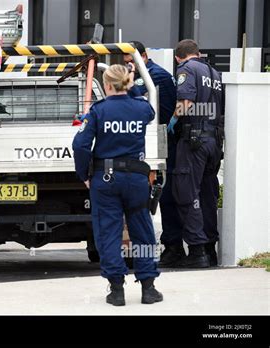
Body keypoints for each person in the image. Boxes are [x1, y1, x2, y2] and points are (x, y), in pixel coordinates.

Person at [73, 64, 163, 306]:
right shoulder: (142, 109)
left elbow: (80, 145)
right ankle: (149, 288)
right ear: (127, 83)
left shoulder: (97, 111)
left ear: (107, 85)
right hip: (136, 179)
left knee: (109, 233)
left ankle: (116, 290)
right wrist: (131, 86)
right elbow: (150, 111)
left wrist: (84, 174)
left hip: (106, 178)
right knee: (143, 232)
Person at [124, 41, 184, 267]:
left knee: (165, 195)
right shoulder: (145, 73)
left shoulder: (155, 76)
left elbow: (134, 98)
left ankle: (173, 246)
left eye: (133, 61)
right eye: (127, 63)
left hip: (163, 142)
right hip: (149, 142)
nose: (130, 66)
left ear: (144, 55)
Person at [167, 39, 224, 268]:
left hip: (194, 141)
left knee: (186, 193)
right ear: (197, 53)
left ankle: (197, 251)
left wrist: (173, 120)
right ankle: (210, 250)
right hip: (213, 141)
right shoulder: (215, 73)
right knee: (208, 196)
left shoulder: (186, 69)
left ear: (177, 57)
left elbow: (186, 101)